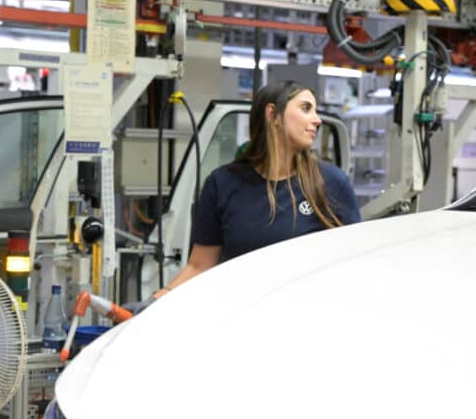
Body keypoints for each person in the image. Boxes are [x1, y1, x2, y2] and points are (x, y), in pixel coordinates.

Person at [133, 80, 361, 311]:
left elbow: (355, 264)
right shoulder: (223, 184)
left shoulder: (331, 184)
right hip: (239, 318)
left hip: (306, 317)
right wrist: (157, 300)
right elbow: (200, 265)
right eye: (305, 108)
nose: (317, 119)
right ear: (273, 115)